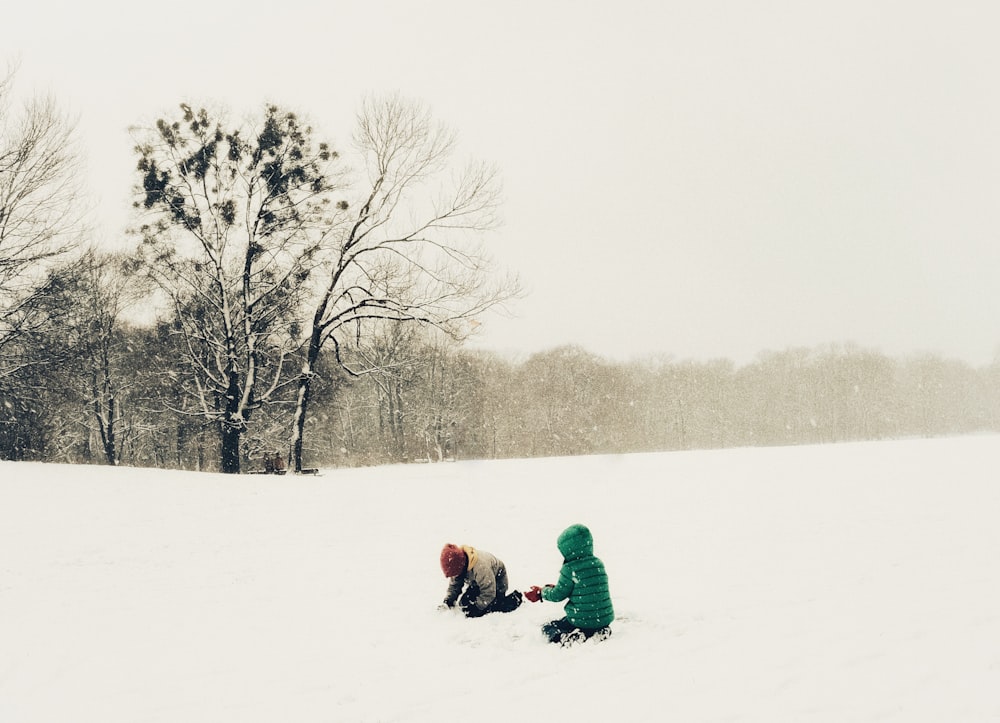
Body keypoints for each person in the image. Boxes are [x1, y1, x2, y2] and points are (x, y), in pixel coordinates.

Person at [524, 523, 615, 646]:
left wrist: (542, 592)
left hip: (582, 619)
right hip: (603, 618)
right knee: (591, 620)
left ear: (568, 549)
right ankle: (601, 630)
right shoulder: (598, 563)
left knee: (549, 627)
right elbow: (586, 589)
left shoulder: (570, 568)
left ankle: (565, 637)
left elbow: (558, 595)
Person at [439, 543, 522, 617]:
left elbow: (489, 592)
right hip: (478, 583)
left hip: (496, 583)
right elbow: (454, 585)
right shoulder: (460, 564)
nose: (454, 576)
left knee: (489, 608)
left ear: (460, 567)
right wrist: (448, 601)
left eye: (455, 574)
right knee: (464, 604)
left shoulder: (481, 567)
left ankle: (515, 598)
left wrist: (477, 607)